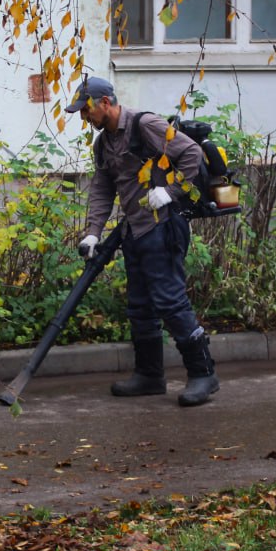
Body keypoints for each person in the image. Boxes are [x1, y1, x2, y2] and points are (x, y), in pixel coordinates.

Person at [66, 76, 219, 407]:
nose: (85, 117)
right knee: (140, 305)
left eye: (87, 110)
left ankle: (204, 373)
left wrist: (171, 191)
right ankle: (150, 376)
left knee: (170, 301)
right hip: (135, 231)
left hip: (164, 226)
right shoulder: (103, 143)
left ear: (105, 102)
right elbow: (104, 187)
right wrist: (93, 231)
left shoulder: (144, 124)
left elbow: (191, 153)